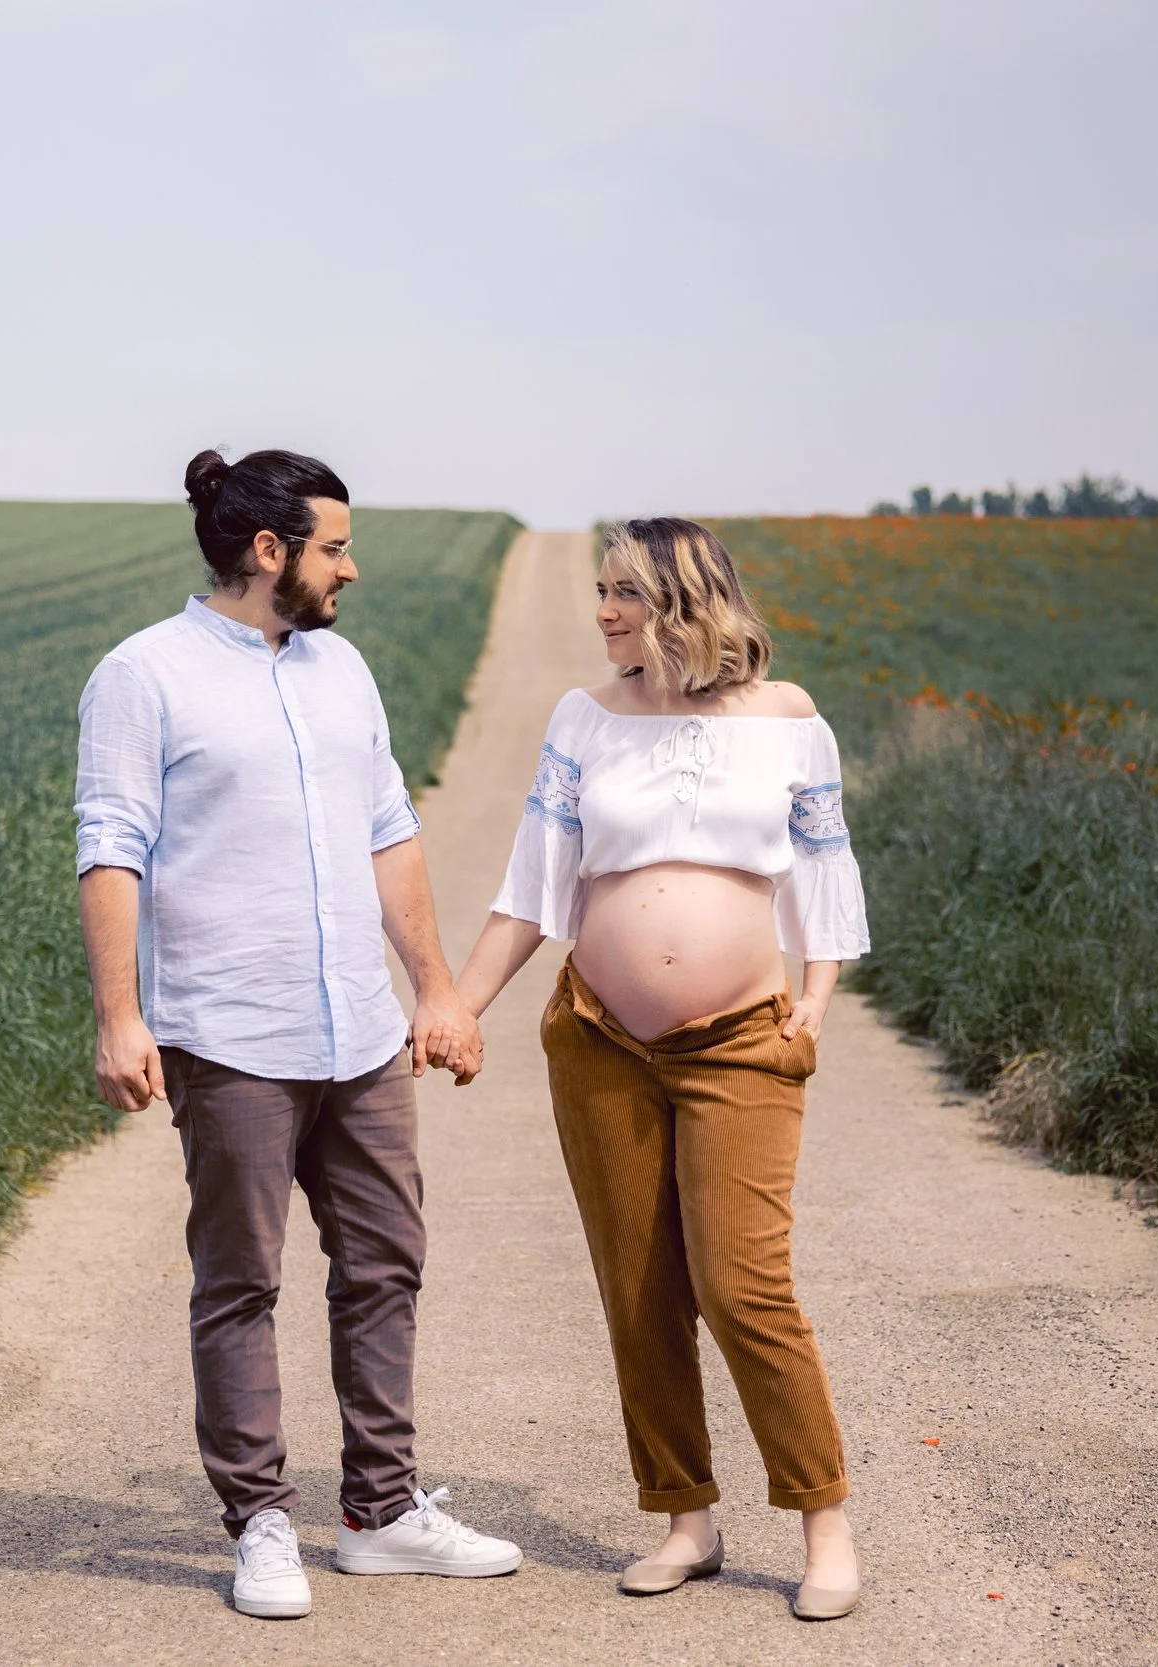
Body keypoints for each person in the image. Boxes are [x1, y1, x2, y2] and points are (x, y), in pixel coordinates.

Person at [75, 447, 519, 1621]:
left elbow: (389, 829)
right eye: (335, 546)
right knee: (240, 1281)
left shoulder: (342, 670)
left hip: (361, 1033)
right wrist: (121, 1016)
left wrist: (435, 987)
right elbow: (110, 846)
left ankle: (380, 1510)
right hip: (231, 1033)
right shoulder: (143, 675)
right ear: (267, 549)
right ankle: (260, 1519)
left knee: (384, 1264)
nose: (351, 568)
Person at [451, 517, 871, 1621]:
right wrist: (455, 1006)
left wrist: (815, 1004)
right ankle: (686, 1517)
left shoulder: (788, 719)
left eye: (624, 591)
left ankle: (823, 1518)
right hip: (600, 1040)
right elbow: (534, 883)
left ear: (686, 597)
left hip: (740, 1039)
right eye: (600, 589)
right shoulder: (584, 717)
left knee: (743, 1286)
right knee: (639, 1289)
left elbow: (824, 870)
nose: (602, 611)